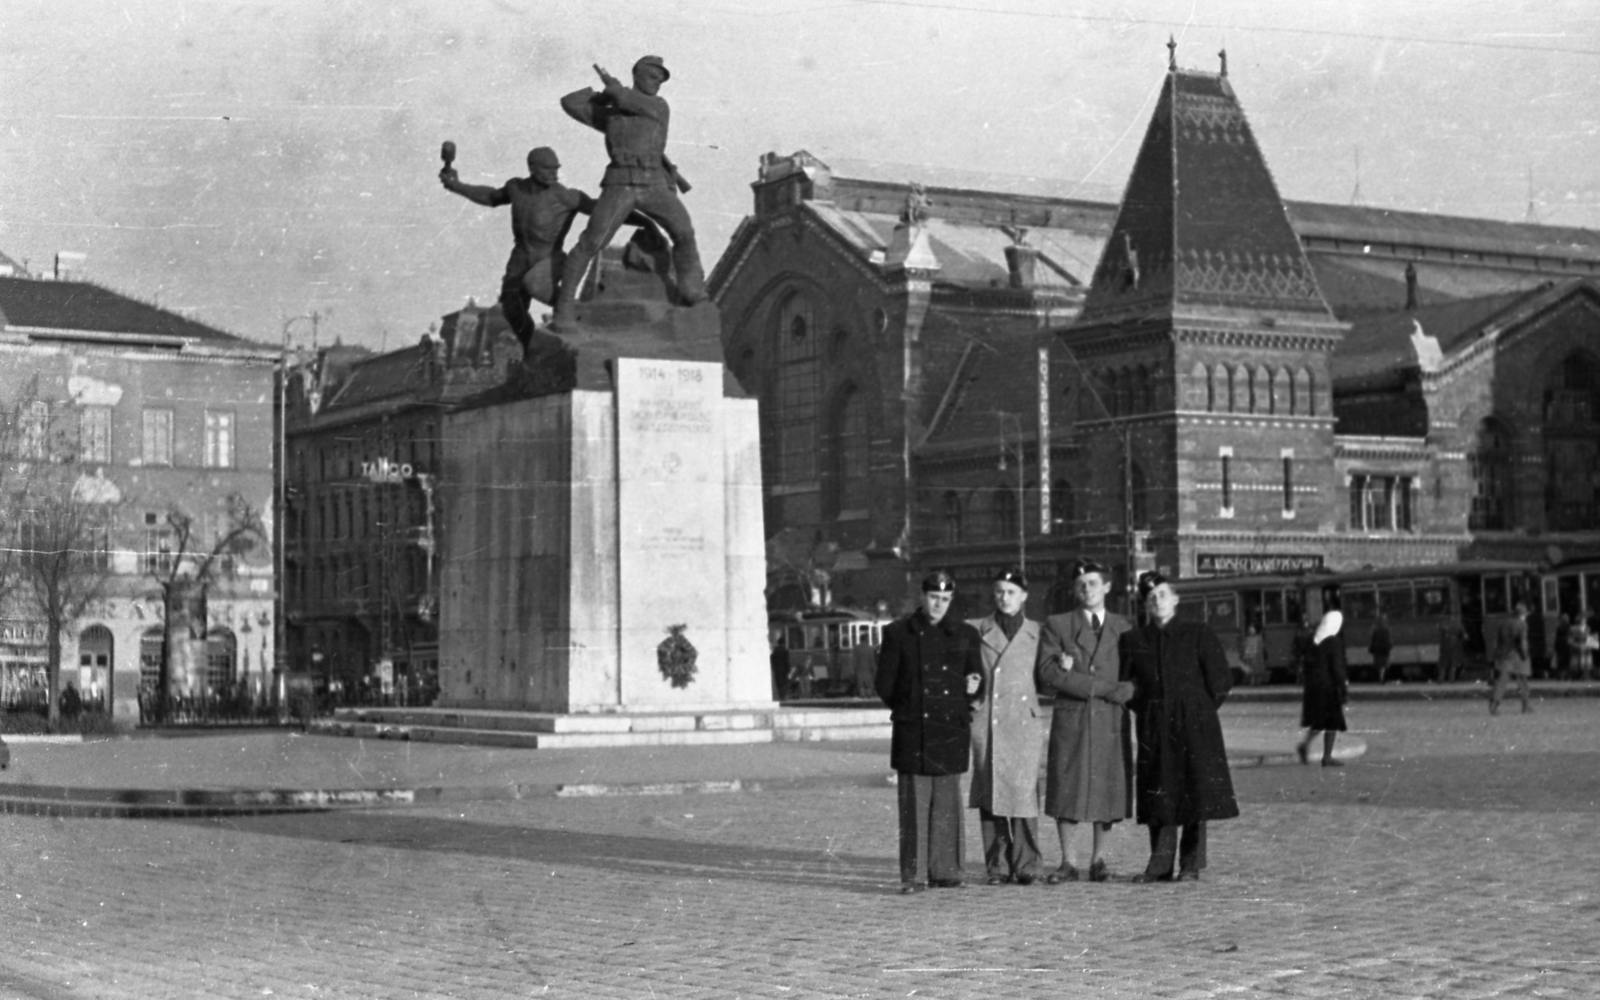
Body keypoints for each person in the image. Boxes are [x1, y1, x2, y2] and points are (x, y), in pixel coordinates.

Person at [553, 56, 706, 330]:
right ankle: (563, 309)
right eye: (652, 76)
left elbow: (628, 99)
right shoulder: (614, 112)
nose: (657, 82)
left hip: (652, 182)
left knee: (684, 231)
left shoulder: (658, 106)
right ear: (637, 75)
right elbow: (570, 103)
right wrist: (601, 95)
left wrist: (614, 89)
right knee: (592, 242)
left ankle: (691, 289)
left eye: (660, 79)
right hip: (619, 183)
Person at [1119, 572, 1239, 883]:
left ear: (1175, 598)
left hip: (1195, 724)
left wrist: (1199, 710)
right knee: (1159, 792)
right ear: (1145, 604)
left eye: (1162, 594)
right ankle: (1159, 865)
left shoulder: (1198, 634)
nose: (1157, 600)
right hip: (1155, 725)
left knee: (1194, 792)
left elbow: (1221, 680)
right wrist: (1149, 710)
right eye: (1150, 597)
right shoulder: (1133, 640)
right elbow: (1127, 686)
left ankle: (1190, 864)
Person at [875, 571, 984, 894]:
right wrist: (911, 705)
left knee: (947, 806)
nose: (939, 604)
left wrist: (973, 689)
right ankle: (914, 875)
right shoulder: (898, 633)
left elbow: (977, 679)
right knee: (915, 808)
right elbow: (885, 684)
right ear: (923, 597)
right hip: (915, 731)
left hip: (950, 729)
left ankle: (946, 871)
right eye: (934, 597)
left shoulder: (966, 634)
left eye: (945, 599)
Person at [438, 146, 595, 351]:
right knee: (512, 309)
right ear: (532, 168)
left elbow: (602, 208)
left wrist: (634, 210)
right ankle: (532, 350)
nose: (554, 173)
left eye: (556, 169)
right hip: (520, 258)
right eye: (548, 169)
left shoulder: (565, 196)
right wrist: (456, 185)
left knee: (536, 286)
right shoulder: (516, 188)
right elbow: (491, 196)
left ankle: (583, 313)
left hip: (549, 258)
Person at [1035, 559, 1134, 884]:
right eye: (1080, 585)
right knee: (1067, 785)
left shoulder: (1124, 626)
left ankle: (1099, 860)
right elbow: (1048, 672)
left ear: (1107, 587)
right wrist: (1100, 687)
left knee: (1107, 785)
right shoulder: (1058, 624)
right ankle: (1068, 861)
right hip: (1074, 718)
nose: (1086, 589)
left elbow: (1136, 670)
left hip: (1109, 718)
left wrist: (1130, 689)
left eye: (1093, 583)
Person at [966, 569, 1045, 886]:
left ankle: (1027, 864)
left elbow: (1045, 677)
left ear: (1024, 596)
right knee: (991, 791)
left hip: (1023, 721)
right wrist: (970, 692)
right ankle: (997, 865)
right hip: (989, 720)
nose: (1004, 597)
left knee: (1024, 794)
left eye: (1011, 591)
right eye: (999, 591)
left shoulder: (1038, 632)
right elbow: (965, 667)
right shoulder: (977, 630)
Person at [1296, 609, 1350, 767]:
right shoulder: (1334, 642)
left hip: (1312, 687)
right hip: (1328, 687)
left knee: (1318, 721)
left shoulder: (1312, 640)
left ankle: (1305, 744)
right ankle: (1327, 756)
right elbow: (1337, 668)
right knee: (1332, 722)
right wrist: (1344, 690)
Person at [1490, 601, 1532, 715]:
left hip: (1504, 655)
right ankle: (1525, 706)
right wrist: (1525, 654)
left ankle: (1494, 705)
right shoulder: (1522, 624)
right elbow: (1523, 642)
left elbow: (1497, 640)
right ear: (1522, 614)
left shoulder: (1503, 623)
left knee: (1501, 681)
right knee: (1522, 681)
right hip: (1517, 655)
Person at [1437, 615, 1467, 683]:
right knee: (1453, 664)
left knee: (1443, 664)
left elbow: (1439, 635)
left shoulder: (1443, 624)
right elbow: (1465, 636)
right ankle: (1451, 679)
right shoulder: (1459, 625)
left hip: (1445, 646)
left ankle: (1441, 679)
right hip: (1454, 646)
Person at [1370, 614, 1394, 683]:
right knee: (1384, 665)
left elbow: (1373, 639)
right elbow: (1389, 639)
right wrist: (1390, 646)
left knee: (1380, 665)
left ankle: (1381, 678)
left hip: (1378, 649)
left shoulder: (1375, 629)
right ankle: (1382, 678)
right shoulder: (1387, 629)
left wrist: (1372, 647)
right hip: (1385, 649)